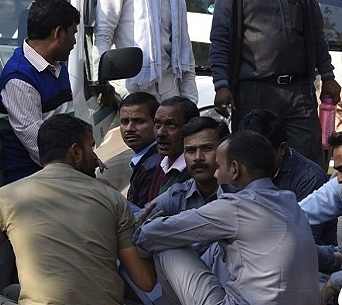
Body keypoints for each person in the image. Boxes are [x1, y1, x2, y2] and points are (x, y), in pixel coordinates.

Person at [0, 114, 156, 305]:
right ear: (75, 152)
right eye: (91, 148)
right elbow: (145, 281)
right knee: (12, 291)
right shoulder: (112, 198)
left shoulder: (5, 197)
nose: (96, 157)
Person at [209, 0, 341, 169]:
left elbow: (316, 32)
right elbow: (220, 42)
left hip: (298, 92)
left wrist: (328, 75)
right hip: (251, 94)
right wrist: (221, 84)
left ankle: (304, 210)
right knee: (252, 166)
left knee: (308, 166)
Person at [134, 130, 320, 304]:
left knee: (165, 245)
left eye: (218, 166)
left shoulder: (235, 207)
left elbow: (153, 235)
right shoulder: (290, 201)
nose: (215, 174)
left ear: (234, 169)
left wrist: (144, 228)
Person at [129, 116, 228, 305]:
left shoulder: (237, 193)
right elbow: (139, 219)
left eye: (207, 148)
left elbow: (146, 232)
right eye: (190, 151)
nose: (198, 157)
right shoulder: (180, 192)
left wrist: (152, 230)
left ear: (224, 151)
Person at [0, 0, 79, 183]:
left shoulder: (57, 65)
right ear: (58, 33)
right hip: (34, 184)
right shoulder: (19, 79)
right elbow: (43, 149)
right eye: (73, 34)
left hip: (63, 175)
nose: (74, 42)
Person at [238, 108, 336, 245]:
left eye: (261, 154)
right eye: (247, 154)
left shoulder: (309, 178)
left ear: (282, 148)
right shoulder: (237, 167)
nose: (253, 161)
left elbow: (302, 242)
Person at [299, 131, 342, 304]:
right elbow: (296, 215)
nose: (339, 179)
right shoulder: (339, 186)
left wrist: (337, 281)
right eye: (338, 170)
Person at [147, 95, 199, 201]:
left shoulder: (195, 173)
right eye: (157, 124)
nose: (161, 133)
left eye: (171, 125)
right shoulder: (162, 164)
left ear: (190, 128)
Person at [119, 92, 161, 209]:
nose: (129, 129)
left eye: (138, 121)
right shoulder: (147, 160)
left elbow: (144, 217)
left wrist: (111, 195)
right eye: (124, 122)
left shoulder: (154, 166)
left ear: (156, 124)